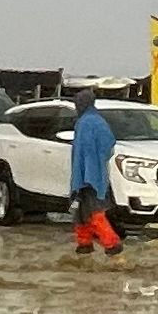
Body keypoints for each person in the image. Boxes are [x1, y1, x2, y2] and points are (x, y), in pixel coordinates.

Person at [65, 92, 122, 259]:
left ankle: (112, 245)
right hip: (91, 175)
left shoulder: (86, 122)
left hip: (88, 177)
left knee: (93, 211)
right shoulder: (96, 121)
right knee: (81, 213)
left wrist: (89, 169)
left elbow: (89, 150)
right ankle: (84, 247)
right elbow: (109, 144)